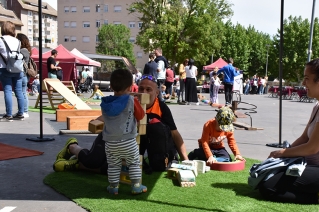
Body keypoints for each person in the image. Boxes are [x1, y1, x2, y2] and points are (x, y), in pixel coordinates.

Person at [259, 52, 319, 204]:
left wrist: (283, 153)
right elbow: (304, 138)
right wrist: (280, 156)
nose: (303, 83)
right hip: (312, 164)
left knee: (268, 187)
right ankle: (318, 189)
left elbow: (312, 148)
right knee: (267, 174)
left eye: (307, 78)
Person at [53, 75, 189, 172]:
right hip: (114, 136)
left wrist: (186, 160)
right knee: (93, 161)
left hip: (133, 144)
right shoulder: (127, 101)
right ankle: (72, 146)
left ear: (157, 92)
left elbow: (174, 133)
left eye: (149, 89)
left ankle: (77, 165)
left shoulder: (162, 108)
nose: (144, 92)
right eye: (141, 88)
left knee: (118, 169)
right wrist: (96, 122)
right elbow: (104, 117)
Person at [100, 69, 146, 195]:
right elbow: (141, 115)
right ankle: (136, 185)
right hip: (128, 140)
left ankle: (113, 187)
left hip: (110, 142)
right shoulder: (131, 100)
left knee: (113, 165)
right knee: (134, 163)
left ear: (111, 86)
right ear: (130, 86)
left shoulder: (105, 103)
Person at [0, 21, 25, 121]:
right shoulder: (17, 41)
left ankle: (9, 114)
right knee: (19, 91)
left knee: (8, 90)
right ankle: (21, 113)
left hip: (4, 67)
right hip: (18, 68)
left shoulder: (1, 40)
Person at [16, 33, 31, 118]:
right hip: (25, 75)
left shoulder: (22, 51)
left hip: (23, 74)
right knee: (23, 92)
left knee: (22, 93)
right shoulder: (27, 50)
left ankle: (24, 111)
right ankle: (23, 111)